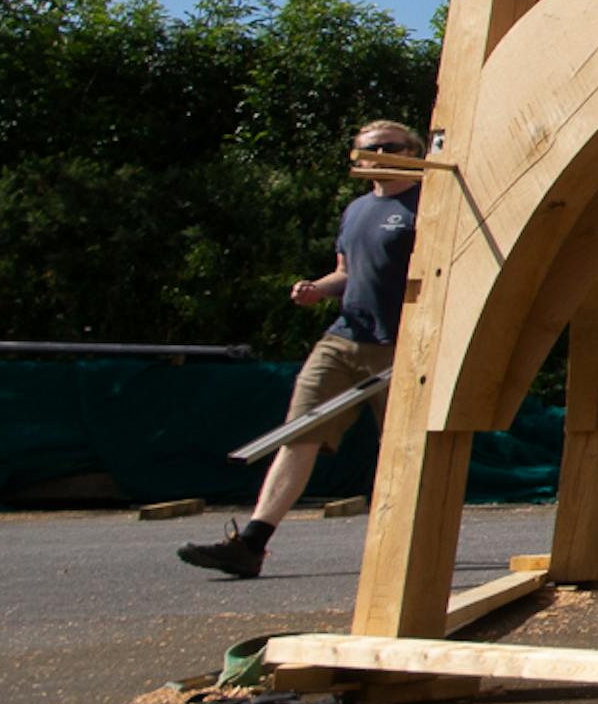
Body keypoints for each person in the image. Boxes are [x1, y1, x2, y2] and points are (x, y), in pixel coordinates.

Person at [179, 121, 423, 581]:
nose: (378, 155)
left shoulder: (427, 207)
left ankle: (409, 550)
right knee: (299, 434)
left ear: (413, 153)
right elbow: (346, 272)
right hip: (344, 338)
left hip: (402, 346)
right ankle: (251, 543)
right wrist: (317, 289)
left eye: (390, 147)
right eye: (368, 149)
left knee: (403, 450)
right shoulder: (355, 210)